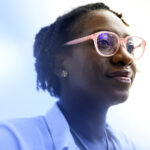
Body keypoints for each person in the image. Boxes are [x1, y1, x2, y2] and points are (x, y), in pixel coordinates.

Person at [0, 2, 146, 150]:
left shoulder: (133, 146)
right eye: (104, 42)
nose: (126, 57)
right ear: (60, 64)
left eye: (130, 47)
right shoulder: (11, 139)